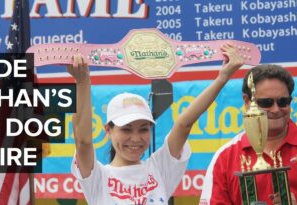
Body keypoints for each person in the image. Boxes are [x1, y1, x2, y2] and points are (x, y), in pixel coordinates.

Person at [68, 43, 244, 205]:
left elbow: (184, 124)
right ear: (108, 129)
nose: (135, 138)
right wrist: (82, 81)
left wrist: (223, 77)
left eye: (143, 129)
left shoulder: (159, 168)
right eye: (126, 129)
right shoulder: (98, 177)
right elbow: (83, 142)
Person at [200, 64, 297, 205]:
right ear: (247, 102)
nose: (275, 109)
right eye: (266, 102)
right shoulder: (225, 157)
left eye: (283, 101)